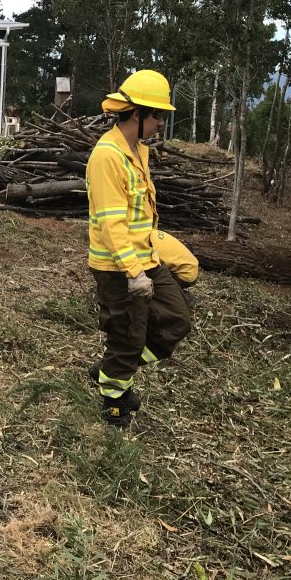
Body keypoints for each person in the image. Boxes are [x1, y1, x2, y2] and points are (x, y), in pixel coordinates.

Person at [85, 69, 193, 427]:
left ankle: (113, 369)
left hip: (147, 259)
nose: (161, 122)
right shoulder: (108, 156)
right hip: (119, 268)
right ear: (137, 115)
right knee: (128, 337)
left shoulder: (139, 153)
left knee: (176, 319)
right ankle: (113, 400)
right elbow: (112, 224)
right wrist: (134, 273)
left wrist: (152, 263)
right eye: (157, 115)